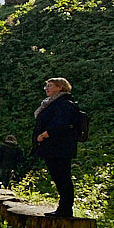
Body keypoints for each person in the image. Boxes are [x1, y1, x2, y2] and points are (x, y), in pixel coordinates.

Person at [32, 78, 81, 218]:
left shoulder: (65, 104)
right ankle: (63, 208)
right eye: (46, 85)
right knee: (58, 177)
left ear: (60, 88)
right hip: (52, 148)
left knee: (63, 177)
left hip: (60, 147)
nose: (47, 88)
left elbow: (62, 123)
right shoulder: (51, 103)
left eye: (50, 85)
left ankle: (65, 209)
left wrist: (45, 134)